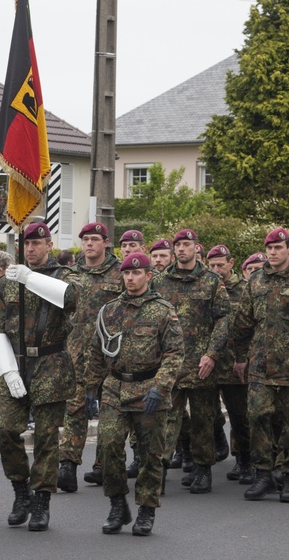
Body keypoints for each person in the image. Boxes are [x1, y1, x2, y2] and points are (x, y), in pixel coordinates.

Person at [0, 221, 78, 532]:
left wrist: (30, 278)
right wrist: (7, 371)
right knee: (6, 431)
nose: (31, 249)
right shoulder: (9, 283)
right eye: (27, 244)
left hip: (51, 363)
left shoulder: (63, 275)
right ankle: (21, 490)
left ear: (50, 245)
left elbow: (72, 299)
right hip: (16, 363)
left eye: (37, 243)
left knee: (47, 437)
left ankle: (41, 500)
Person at [85, 252, 183, 536]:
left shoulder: (163, 310)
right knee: (109, 445)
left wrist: (161, 387)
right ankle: (117, 504)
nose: (130, 278)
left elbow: (175, 353)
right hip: (115, 388)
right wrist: (91, 388)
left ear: (148, 276)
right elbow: (96, 349)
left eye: (136, 273)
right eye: (127, 273)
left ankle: (146, 509)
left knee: (150, 453)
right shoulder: (110, 310)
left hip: (149, 388)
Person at [232, 228, 289, 502]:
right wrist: (240, 358)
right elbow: (242, 323)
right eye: (269, 248)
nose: (273, 252)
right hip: (261, 365)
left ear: (288, 249)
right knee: (258, 417)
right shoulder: (256, 280)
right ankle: (263, 474)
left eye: (278, 247)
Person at [151, 229, 230, 495]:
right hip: (169, 364)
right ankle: (158, 469)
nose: (182, 249)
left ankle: (202, 468)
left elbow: (223, 319)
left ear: (197, 248)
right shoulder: (160, 281)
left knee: (202, 419)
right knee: (166, 419)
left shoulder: (211, 281)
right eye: (178, 245)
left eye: (187, 244)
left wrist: (212, 354)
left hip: (201, 363)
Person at [60, 222, 123, 491]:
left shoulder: (121, 273)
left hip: (111, 355)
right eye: (85, 239)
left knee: (110, 412)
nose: (89, 244)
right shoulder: (70, 275)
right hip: (76, 354)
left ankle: (103, 465)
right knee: (74, 410)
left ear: (106, 243)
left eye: (95, 239)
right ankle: (68, 466)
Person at [206, 243, 254, 484]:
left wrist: (243, 358)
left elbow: (250, 326)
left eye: (220, 265)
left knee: (240, 416)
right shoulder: (206, 287)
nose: (216, 269)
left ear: (231, 264)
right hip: (210, 362)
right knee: (208, 413)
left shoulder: (246, 289)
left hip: (236, 362)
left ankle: (244, 461)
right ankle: (218, 440)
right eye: (212, 265)